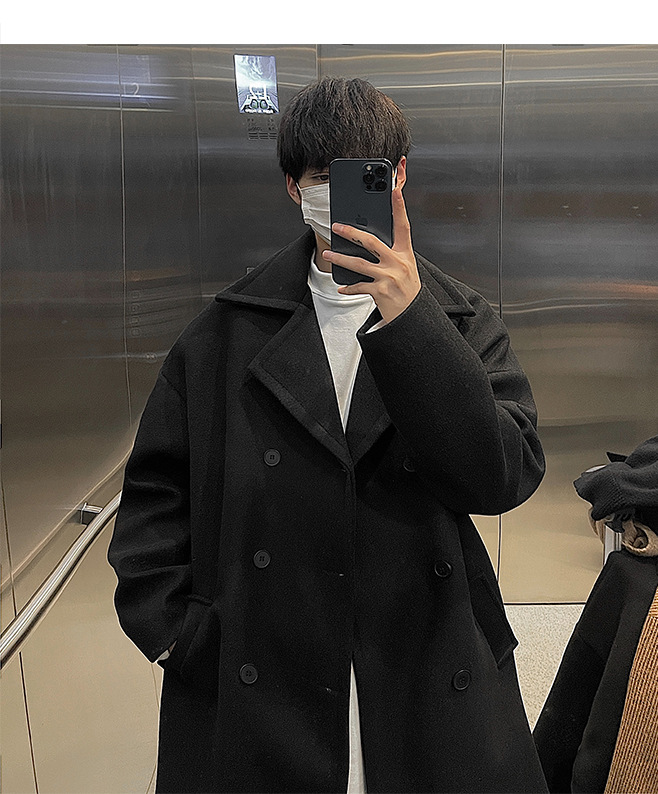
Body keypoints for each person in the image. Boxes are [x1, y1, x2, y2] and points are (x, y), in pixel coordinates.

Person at [108, 76, 548, 794]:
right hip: (262, 672)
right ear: (294, 187)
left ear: (398, 177)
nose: (340, 198)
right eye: (322, 178)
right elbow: (154, 502)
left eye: (364, 176)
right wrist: (181, 639)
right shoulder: (224, 333)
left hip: (424, 661)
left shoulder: (460, 322)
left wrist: (412, 322)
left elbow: (502, 478)